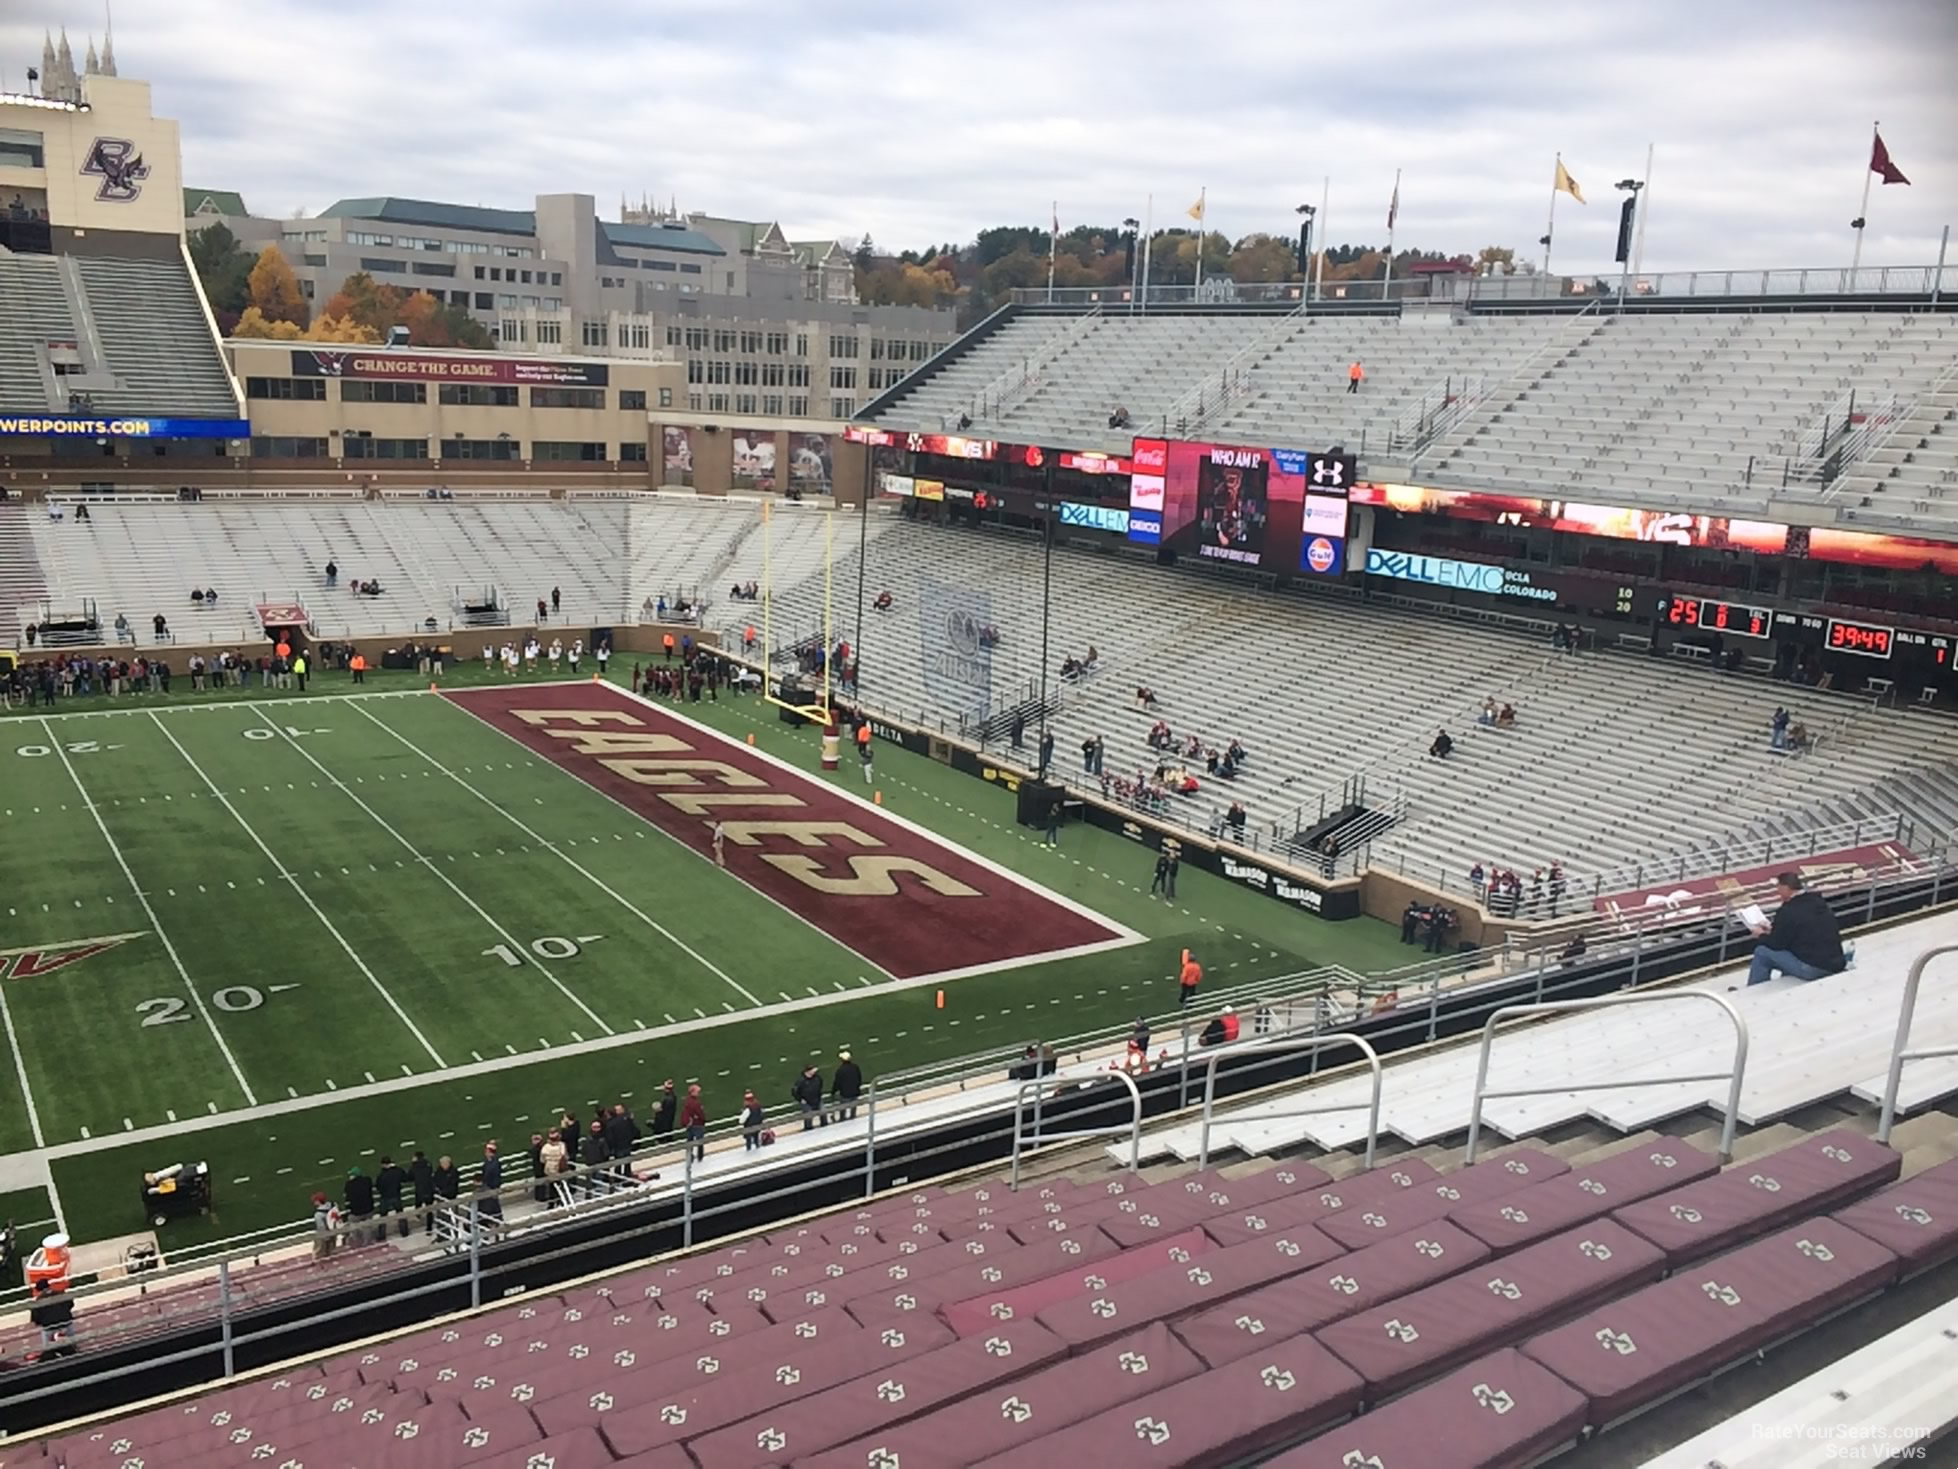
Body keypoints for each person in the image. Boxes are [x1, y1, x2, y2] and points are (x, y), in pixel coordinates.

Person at [1746, 872, 1846, 985]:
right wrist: (1773, 930)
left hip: (1814, 968)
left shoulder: (1787, 911)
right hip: (1836, 963)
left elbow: (1777, 944)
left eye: (1778, 888)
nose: (1777, 891)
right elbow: (1800, 930)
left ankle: (1754, 987)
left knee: (1762, 952)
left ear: (1786, 888)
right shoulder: (1817, 901)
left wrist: (1760, 935)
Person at [29, 1281, 75, 1355]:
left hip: (49, 1327)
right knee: (73, 1341)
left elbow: (36, 1319)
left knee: (47, 1345)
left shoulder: (38, 1301)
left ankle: (47, 1352)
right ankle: (74, 1346)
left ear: (38, 1290)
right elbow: (71, 1304)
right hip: (66, 1323)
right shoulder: (60, 1293)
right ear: (49, 1286)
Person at [376, 1155, 407, 1239]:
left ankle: (381, 1235)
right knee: (400, 1213)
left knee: (383, 1216)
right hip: (396, 1195)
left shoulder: (382, 1175)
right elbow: (404, 1177)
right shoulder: (397, 1171)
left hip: (385, 1197)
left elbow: (378, 1186)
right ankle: (404, 1231)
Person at [343, 1165, 375, 1245]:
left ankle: (357, 1241)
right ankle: (367, 1241)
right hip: (368, 1209)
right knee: (367, 1226)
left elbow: (347, 1197)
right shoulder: (367, 1180)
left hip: (356, 1212)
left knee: (353, 1225)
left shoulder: (349, 1185)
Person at [680, 1084, 709, 1163]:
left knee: (690, 1140)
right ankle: (700, 1157)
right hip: (697, 1124)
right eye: (697, 1092)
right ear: (692, 1092)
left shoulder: (687, 1101)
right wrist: (704, 1120)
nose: (699, 1093)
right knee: (700, 1141)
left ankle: (689, 1156)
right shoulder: (695, 1103)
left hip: (690, 1125)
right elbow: (700, 1114)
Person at [832, 1049, 863, 1120]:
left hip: (845, 1093)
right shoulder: (855, 1067)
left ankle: (842, 1119)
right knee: (853, 1107)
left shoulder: (840, 1070)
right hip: (855, 1091)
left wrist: (833, 1091)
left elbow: (837, 1082)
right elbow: (859, 1078)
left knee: (843, 1107)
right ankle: (853, 1117)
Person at [793, 1064, 826, 1129]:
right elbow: (794, 1091)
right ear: (808, 1071)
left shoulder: (817, 1078)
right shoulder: (801, 1081)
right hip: (807, 1102)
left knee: (823, 1113)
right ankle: (808, 1129)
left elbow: (820, 1085)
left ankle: (824, 1125)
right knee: (808, 1118)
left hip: (818, 1099)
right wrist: (800, 1099)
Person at [410, 1150, 435, 1234]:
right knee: (429, 1210)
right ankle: (429, 1228)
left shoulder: (414, 1166)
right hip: (429, 1189)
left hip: (419, 1190)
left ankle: (418, 1215)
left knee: (418, 1204)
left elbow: (410, 1176)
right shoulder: (428, 1164)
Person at [311, 1193, 339, 1259]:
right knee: (331, 1249)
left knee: (319, 1251)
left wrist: (324, 1237)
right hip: (333, 1230)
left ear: (318, 1202)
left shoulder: (318, 1215)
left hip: (324, 1234)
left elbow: (321, 1227)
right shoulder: (333, 1205)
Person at [653, 1079, 678, 1144]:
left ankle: (665, 1141)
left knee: (665, 1131)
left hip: (666, 1119)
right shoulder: (672, 1096)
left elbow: (665, 1111)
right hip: (669, 1117)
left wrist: (658, 1110)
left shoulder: (668, 1099)